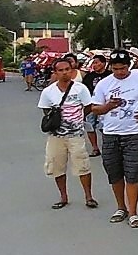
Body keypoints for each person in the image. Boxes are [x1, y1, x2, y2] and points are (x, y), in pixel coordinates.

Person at [90, 49, 138, 229]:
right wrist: (108, 106)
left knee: (132, 174)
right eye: (115, 69)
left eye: (122, 68)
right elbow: (94, 108)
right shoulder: (104, 84)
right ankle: (120, 207)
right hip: (110, 134)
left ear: (128, 65)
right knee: (114, 173)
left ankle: (133, 212)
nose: (119, 72)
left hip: (133, 134)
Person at [37, 56, 97, 210]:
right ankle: (63, 197)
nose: (64, 73)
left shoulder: (80, 89)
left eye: (67, 70)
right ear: (55, 73)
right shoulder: (48, 92)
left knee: (82, 165)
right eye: (61, 70)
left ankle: (88, 196)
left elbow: (88, 106)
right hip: (56, 136)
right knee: (56, 166)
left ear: (72, 71)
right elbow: (45, 110)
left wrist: (77, 118)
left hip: (76, 135)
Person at [82, 55, 111, 156]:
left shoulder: (110, 76)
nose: (94, 65)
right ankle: (95, 148)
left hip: (107, 105)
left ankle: (109, 147)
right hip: (91, 104)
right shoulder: (89, 77)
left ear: (103, 63)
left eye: (96, 62)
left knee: (105, 127)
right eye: (93, 63)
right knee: (90, 126)